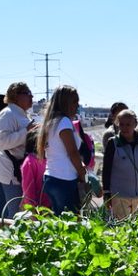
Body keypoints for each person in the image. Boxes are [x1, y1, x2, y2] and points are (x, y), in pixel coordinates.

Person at [37, 85, 86, 215]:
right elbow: (72, 153)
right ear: (66, 103)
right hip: (65, 179)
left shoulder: (50, 122)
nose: (77, 105)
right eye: (75, 101)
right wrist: (82, 172)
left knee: (59, 222)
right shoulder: (64, 122)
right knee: (70, 225)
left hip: (51, 177)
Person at [102, 109, 138, 220]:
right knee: (122, 230)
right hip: (119, 196)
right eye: (121, 124)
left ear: (135, 124)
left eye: (128, 124)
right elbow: (106, 170)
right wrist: (107, 193)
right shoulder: (112, 143)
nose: (125, 128)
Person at [0, 82, 35, 218]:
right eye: (28, 93)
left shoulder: (21, 114)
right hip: (12, 173)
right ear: (17, 96)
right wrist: (27, 132)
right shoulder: (7, 114)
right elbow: (2, 142)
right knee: (16, 215)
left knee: (22, 213)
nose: (32, 96)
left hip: (22, 171)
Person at [20, 127, 51, 210]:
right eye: (46, 142)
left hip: (51, 206)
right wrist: (33, 212)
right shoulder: (30, 162)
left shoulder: (49, 159)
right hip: (39, 209)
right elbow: (28, 191)